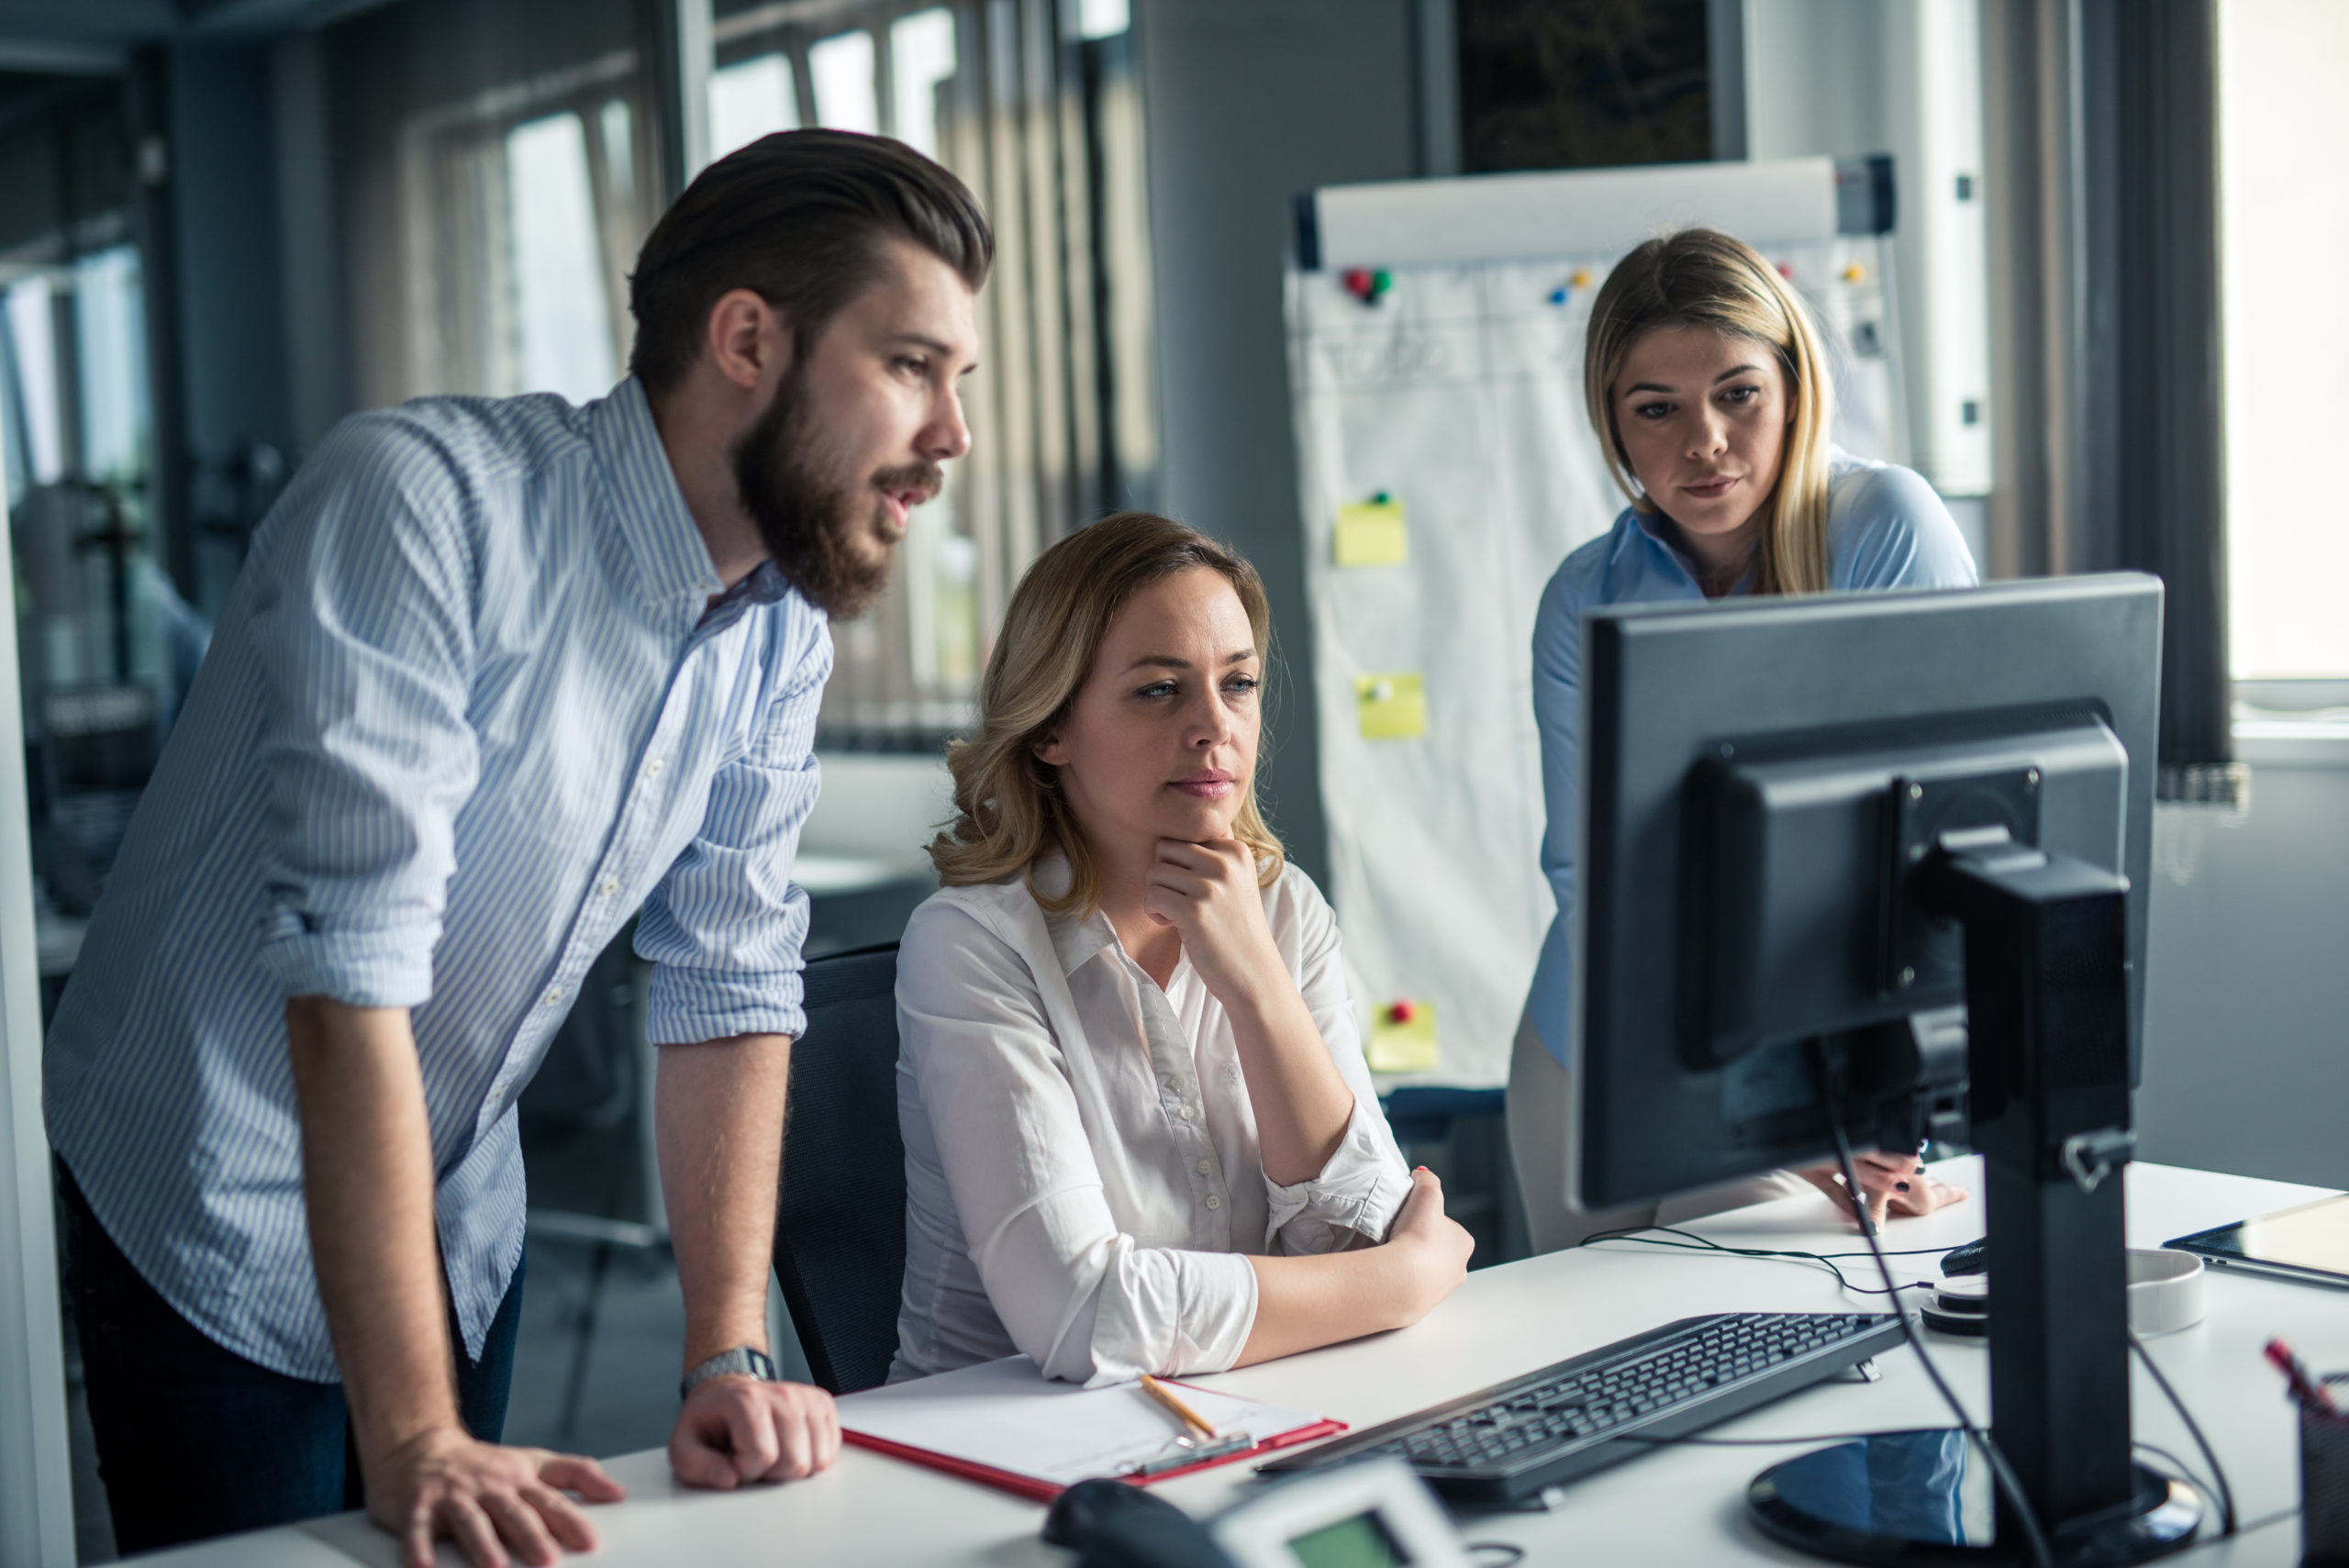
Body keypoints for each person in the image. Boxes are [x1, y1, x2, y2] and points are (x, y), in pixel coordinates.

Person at [43, 129, 987, 1567]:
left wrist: (726, 1353)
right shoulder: (421, 503)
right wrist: (413, 1435)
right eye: (914, 365)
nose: (953, 435)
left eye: (958, 380)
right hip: (214, 1192)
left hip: (451, 1202)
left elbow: (728, 975)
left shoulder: (779, 620)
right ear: (748, 339)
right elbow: (348, 981)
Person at [891, 513, 1474, 1386]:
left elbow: (1356, 1228)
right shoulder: (969, 944)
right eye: (1160, 690)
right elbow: (1084, 1314)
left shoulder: (1284, 908)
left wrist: (1256, 986)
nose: (1215, 728)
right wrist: (1403, 1281)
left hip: (1245, 1407)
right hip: (1001, 1446)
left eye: (1237, 684)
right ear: (1051, 730)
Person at [1510, 227, 1978, 1255]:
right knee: (1591, 1378)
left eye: (1736, 392)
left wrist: (1808, 1093)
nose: (1704, 440)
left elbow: (1926, 845)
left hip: (1822, 1050)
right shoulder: (1584, 594)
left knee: (1771, 1358)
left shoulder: (1883, 526)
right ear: (1613, 426)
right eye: (1656, 409)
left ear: (1793, 385)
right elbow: (1594, 876)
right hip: (1591, 1046)